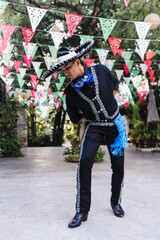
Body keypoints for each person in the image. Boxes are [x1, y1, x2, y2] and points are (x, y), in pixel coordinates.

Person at [41, 40, 128, 228]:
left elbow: (114, 84)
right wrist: (91, 114)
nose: (66, 72)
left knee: (118, 165)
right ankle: (82, 211)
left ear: (79, 61)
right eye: (63, 70)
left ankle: (115, 202)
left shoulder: (101, 70)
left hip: (115, 125)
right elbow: (74, 117)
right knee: (84, 164)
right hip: (94, 127)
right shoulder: (70, 92)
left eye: (68, 67)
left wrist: (109, 107)